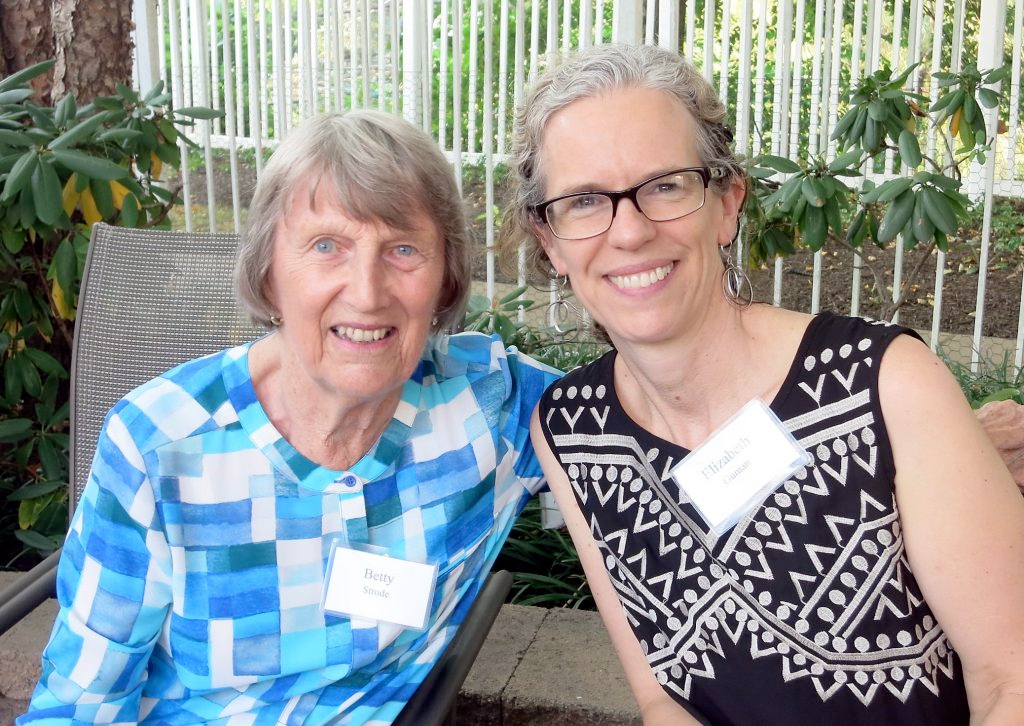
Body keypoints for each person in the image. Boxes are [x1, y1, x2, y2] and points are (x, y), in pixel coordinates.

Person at [499, 43, 1024, 725]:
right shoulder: (571, 432)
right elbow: (663, 700)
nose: (628, 231)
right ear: (550, 241)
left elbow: (1010, 676)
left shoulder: (883, 387)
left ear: (726, 203)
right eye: (584, 200)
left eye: (665, 185)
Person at [20, 110, 559, 725]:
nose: (367, 291)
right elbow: (78, 705)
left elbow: (654, 414)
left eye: (404, 249)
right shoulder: (158, 447)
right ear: (269, 271)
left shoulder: (490, 405)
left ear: (444, 281)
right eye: (327, 245)